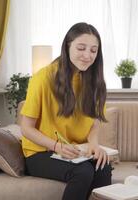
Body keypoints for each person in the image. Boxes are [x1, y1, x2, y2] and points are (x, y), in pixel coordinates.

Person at [20, 22, 111, 200]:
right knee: (83, 172)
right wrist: (57, 147)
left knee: (103, 166)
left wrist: (94, 144)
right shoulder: (43, 78)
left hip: (76, 151)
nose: (87, 55)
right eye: (81, 48)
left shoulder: (95, 81)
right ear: (67, 46)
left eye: (93, 50)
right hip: (40, 153)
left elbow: (94, 122)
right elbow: (26, 128)